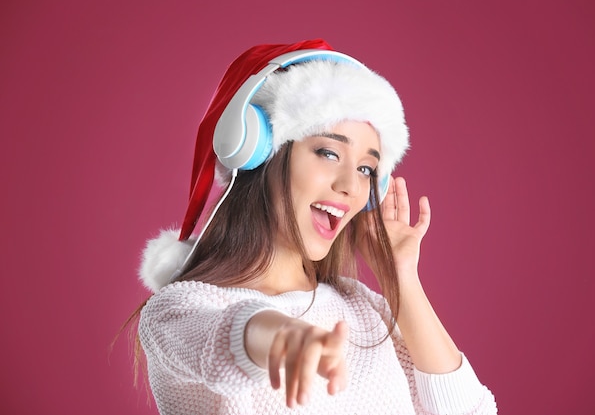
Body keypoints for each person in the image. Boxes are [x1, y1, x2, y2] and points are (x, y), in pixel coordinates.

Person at [136, 38, 497, 414]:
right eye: (328, 153)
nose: (351, 186)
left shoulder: (360, 307)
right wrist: (279, 335)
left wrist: (401, 275)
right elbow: (219, 338)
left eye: (366, 169)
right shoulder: (176, 310)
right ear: (261, 151)